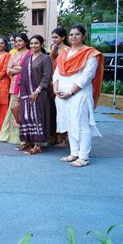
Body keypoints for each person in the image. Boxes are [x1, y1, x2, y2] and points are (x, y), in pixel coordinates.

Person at [54, 25, 104, 167]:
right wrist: (56, 89)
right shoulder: (64, 53)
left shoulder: (90, 54)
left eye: (77, 34)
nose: (73, 37)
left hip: (79, 93)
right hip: (62, 93)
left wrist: (71, 92)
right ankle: (74, 152)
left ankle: (84, 156)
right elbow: (57, 72)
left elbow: (87, 76)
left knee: (82, 124)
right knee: (70, 122)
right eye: (71, 34)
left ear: (83, 36)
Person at [16, 35, 54, 154]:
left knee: (38, 117)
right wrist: (20, 93)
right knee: (26, 117)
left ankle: (38, 145)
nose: (33, 46)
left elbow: (47, 77)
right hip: (26, 93)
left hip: (39, 93)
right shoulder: (28, 58)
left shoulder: (45, 58)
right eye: (31, 43)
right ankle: (27, 142)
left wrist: (37, 91)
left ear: (42, 44)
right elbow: (23, 77)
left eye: (36, 43)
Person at [0, 33, 30, 145]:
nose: (18, 43)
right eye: (16, 41)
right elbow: (8, 70)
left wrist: (16, 69)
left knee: (24, 110)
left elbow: (28, 69)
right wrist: (19, 69)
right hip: (14, 84)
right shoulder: (14, 54)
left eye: (20, 41)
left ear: (26, 42)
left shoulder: (29, 53)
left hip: (27, 85)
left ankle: (24, 137)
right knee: (14, 108)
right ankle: (12, 135)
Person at [50, 27, 70, 146]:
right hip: (52, 81)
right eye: (52, 37)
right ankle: (55, 136)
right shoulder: (54, 48)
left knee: (63, 110)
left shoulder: (68, 50)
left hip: (63, 82)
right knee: (54, 110)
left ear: (63, 37)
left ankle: (64, 138)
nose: (54, 39)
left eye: (56, 37)